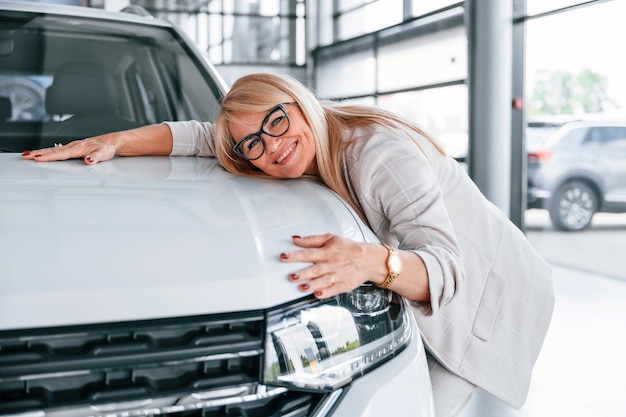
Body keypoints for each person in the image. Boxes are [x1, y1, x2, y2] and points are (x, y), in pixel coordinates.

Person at [23, 72, 555, 417]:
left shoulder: (379, 155)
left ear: (299, 103)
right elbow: (199, 137)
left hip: (490, 296)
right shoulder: (268, 140)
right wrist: (115, 140)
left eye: (277, 122)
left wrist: (370, 262)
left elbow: (448, 272)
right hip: (426, 283)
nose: (272, 147)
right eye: (253, 142)